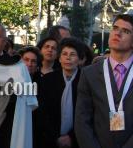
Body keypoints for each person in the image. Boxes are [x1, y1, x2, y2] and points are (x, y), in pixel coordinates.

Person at [75, 14, 133, 148]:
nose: (117, 33)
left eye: (125, 31)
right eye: (115, 28)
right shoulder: (89, 73)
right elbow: (82, 120)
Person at [38, 38, 83, 148]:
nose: (68, 58)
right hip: (49, 140)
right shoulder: (47, 80)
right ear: (59, 58)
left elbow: (88, 114)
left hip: (79, 140)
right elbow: (42, 113)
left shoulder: (86, 80)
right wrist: (55, 137)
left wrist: (71, 137)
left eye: (72, 54)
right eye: (64, 54)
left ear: (79, 59)